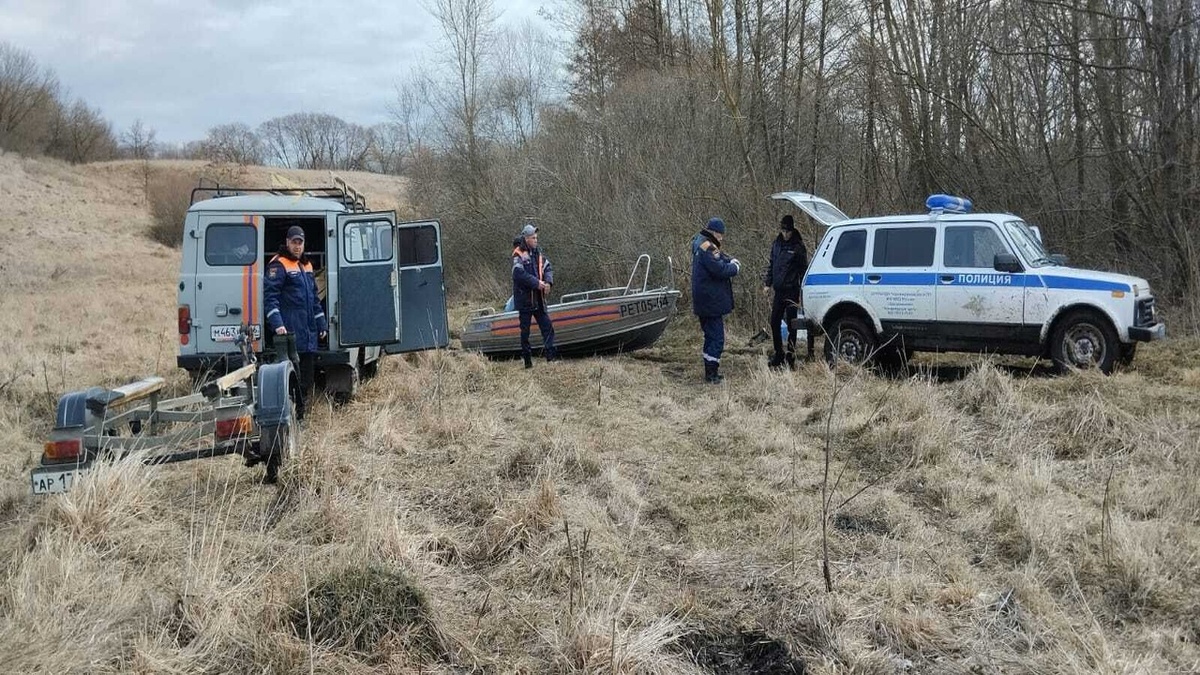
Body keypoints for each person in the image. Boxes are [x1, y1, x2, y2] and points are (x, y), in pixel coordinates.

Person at [264, 225, 327, 425]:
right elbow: (270, 299)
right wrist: (278, 325)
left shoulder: (306, 266)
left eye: (300, 242)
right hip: (290, 333)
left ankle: (301, 415)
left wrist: (322, 324)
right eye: (294, 242)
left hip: (308, 332)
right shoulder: (278, 265)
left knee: (307, 377)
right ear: (287, 242)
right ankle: (294, 416)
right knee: (293, 377)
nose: (297, 246)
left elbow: (315, 300)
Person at [691, 217, 741, 383]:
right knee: (717, 338)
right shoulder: (708, 247)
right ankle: (711, 375)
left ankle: (709, 369)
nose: (722, 238)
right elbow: (719, 269)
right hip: (710, 302)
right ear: (713, 232)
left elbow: (720, 257)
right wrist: (734, 267)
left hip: (704, 301)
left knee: (710, 336)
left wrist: (728, 259)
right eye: (720, 234)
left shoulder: (700, 242)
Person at [762, 214, 812, 369]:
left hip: (791, 291)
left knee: (792, 325)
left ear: (792, 230)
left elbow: (804, 270)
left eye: (787, 231)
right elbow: (772, 265)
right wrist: (767, 283)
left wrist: (803, 291)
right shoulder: (776, 244)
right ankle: (779, 354)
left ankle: (791, 356)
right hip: (779, 291)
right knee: (774, 322)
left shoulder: (798, 247)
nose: (785, 234)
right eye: (783, 231)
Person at [512, 223, 559, 368]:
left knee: (547, 327)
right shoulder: (518, 254)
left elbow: (548, 268)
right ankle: (527, 362)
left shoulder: (538, 253)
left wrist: (548, 283)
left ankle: (551, 358)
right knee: (525, 333)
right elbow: (518, 274)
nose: (536, 240)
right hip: (525, 300)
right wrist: (536, 283)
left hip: (538, 299)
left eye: (536, 237)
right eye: (533, 237)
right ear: (526, 238)